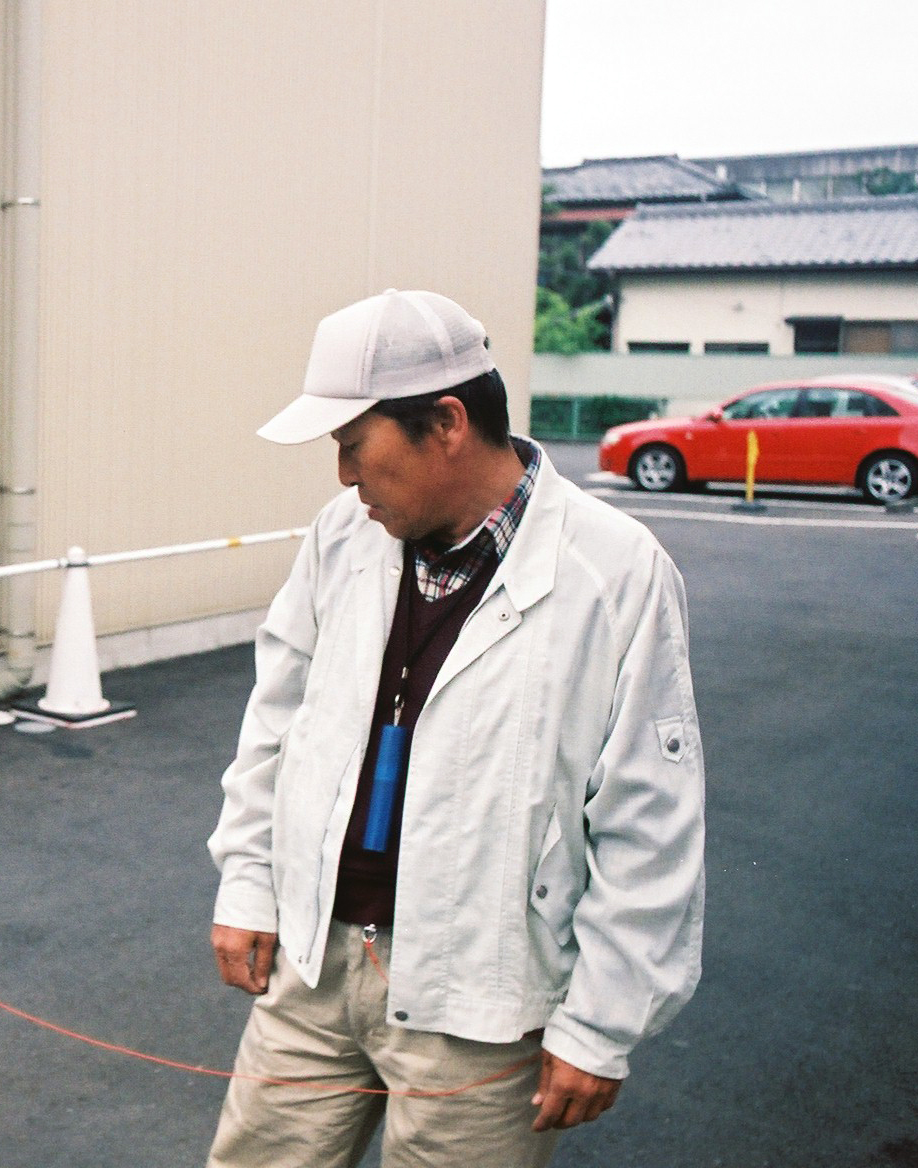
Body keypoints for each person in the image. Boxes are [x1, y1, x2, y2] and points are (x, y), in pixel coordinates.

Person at [205, 290, 704, 1168]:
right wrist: (249, 886)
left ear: (446, 423)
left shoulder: (616, 574)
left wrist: (599, 1026)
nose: (343, 477)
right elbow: (276, 722)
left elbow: (649, 823)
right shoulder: (342, 539)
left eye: (354, 445)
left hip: (481, 1002)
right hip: (313, 969)